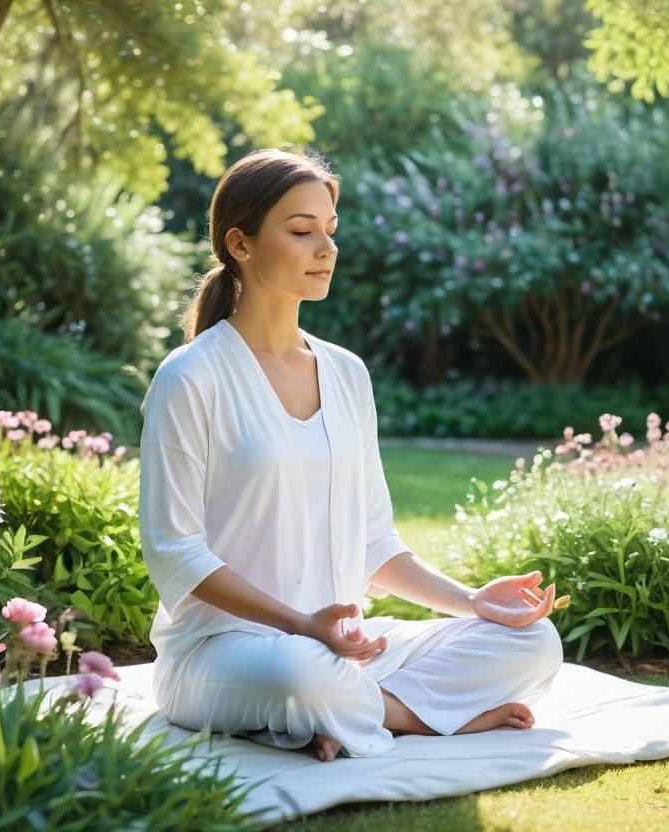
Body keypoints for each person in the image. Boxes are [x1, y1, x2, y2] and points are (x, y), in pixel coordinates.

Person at [139, 147, 564, 762]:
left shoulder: (346, 373)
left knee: (533, 642)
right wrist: (302, 626)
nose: (326, 250)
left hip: (340, 646)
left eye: (330, 232)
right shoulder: (191, 377)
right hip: (225, 652)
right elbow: (176, 554)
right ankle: (411, 717)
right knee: (302, 674)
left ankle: (342, 715)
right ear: (241, 244)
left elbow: (374, 545)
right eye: (302, 231)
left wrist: (473, 602)